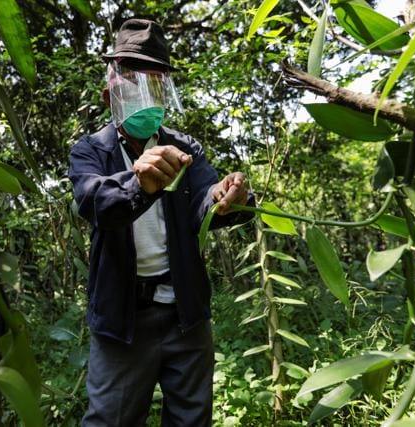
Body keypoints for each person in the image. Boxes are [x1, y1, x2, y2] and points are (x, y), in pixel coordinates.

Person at [68, 18, 254, 427]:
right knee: (109, 420)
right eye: (136, 85)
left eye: (157, 86)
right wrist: (139, 184)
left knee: (192, 418)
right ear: (110, 95)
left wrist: (228, 197)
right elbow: (94, 202)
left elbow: (206, 200)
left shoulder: (184, 147)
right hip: (122, 319)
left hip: (185, 313)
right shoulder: (90, 151)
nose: (147, 98)